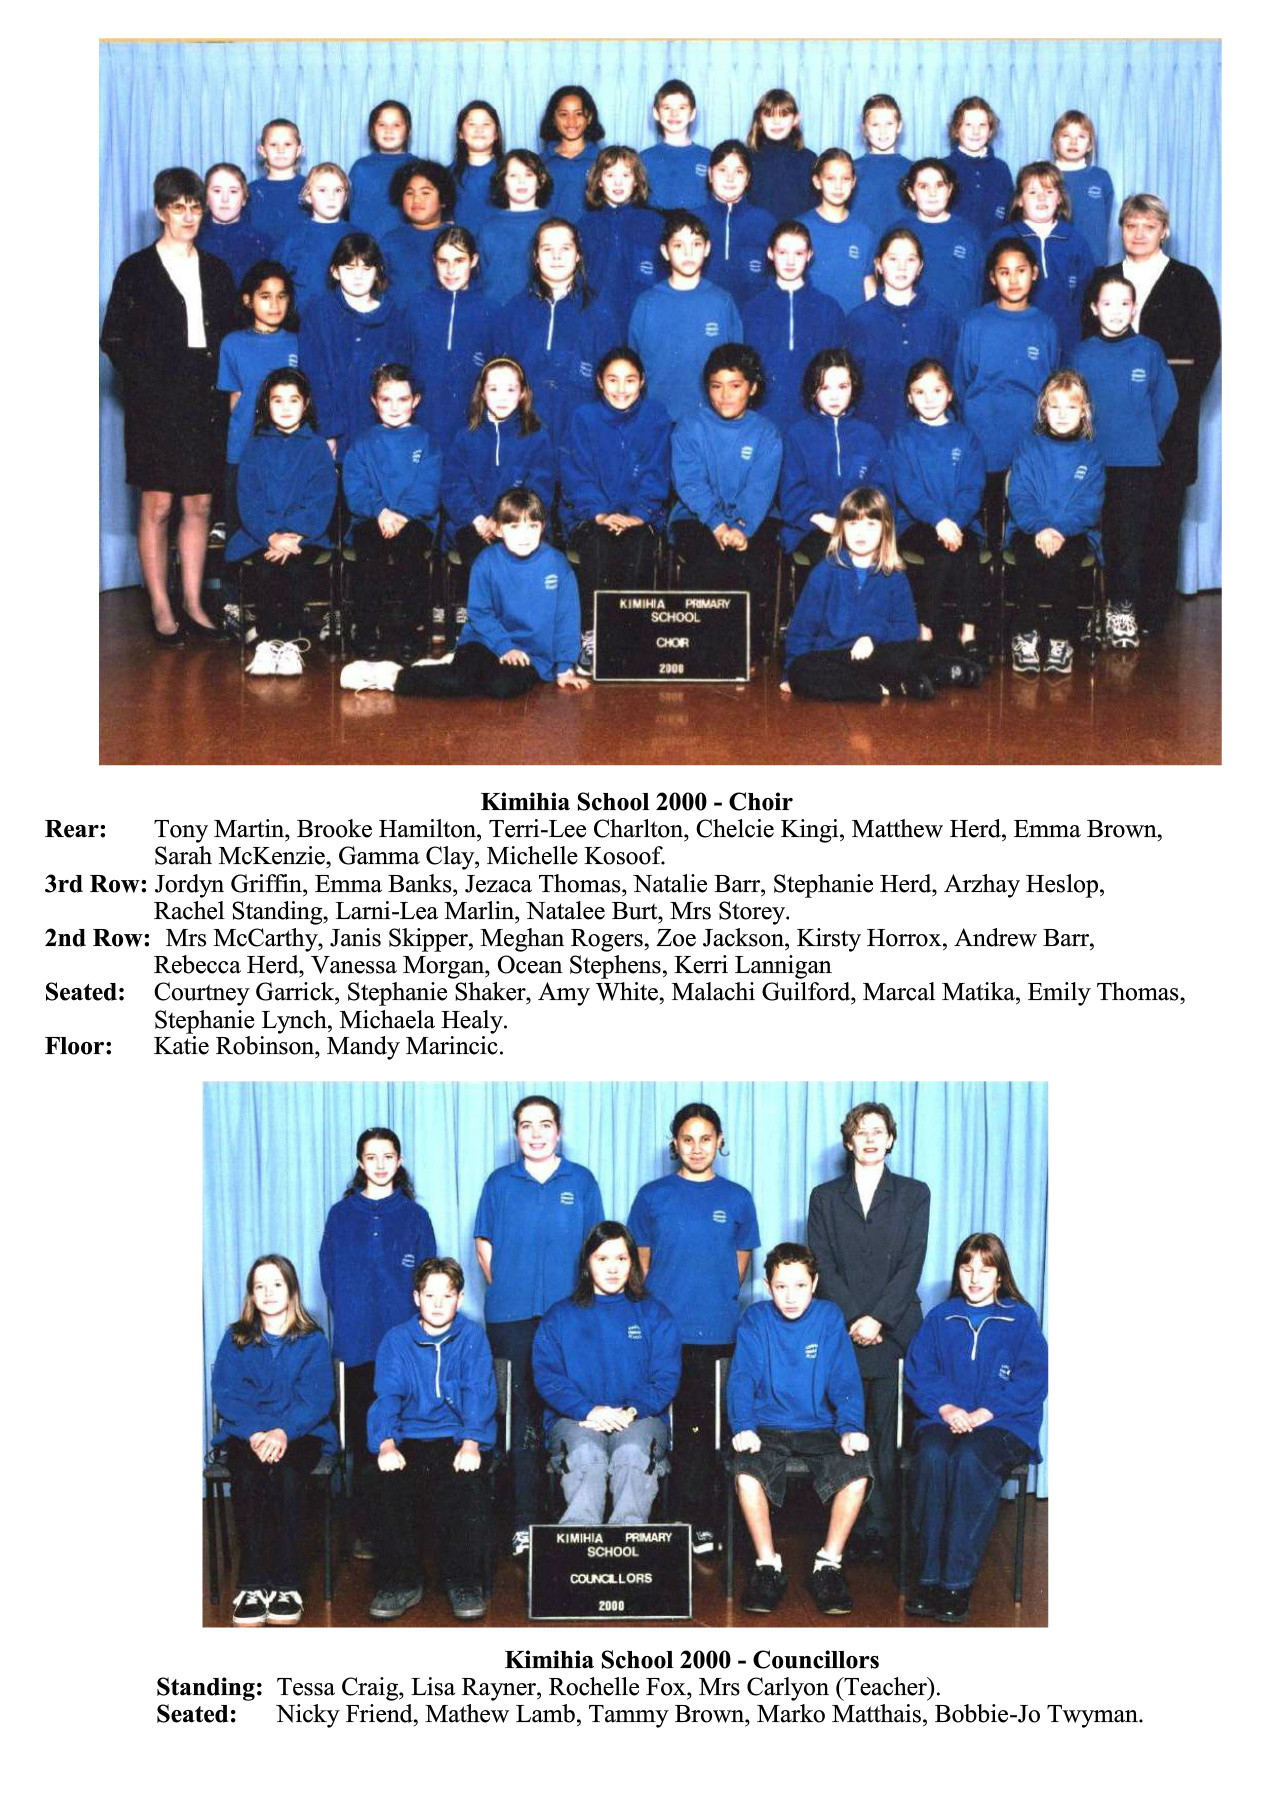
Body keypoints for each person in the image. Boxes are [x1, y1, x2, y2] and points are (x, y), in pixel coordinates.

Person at [100, 166, 240, 642]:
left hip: (205, 399)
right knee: (158, 504)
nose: (188, 216)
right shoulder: (136, 270)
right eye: (178, 207)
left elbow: (230, 338)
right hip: (155, 403)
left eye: (195, 207)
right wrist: (149, 385)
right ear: (161, 212)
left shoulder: (217, 271)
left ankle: (194, 604)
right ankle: (161, 607)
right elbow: (113, 339)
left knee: (199, 503)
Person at [473, 1095, 604, 1556]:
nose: (536, 1133)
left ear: (559, 1131)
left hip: (571, 1317)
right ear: (516, 1134)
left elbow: (596, 1250)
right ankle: (525, 1522)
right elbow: (485, 1247)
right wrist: (511, 1287)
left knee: (571, 1409)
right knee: (521, 1419)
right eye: (526, 1125)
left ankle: (572, 1518)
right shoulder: (499, 1183)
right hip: (511, 1318)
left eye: (545, 1124)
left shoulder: (581, 1181)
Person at [627, 1103, 759, 1555]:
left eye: (706, 1139)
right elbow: (642, 1266)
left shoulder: (737, 1198)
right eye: (688, 1139)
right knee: (656, 1425)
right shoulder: (652, 1196)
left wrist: (710, 1300)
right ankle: (658, 1520)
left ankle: (699, 1524)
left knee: (704, 1433)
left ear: (720, 1142)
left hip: (716, 1333)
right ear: (675, 1144)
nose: (697, 1148)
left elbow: (738, 1268)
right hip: (662, 1333)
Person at [805, 1101, 931, 1560]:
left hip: (894, 1330)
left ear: (891, 1139)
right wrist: (855, 1318)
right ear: (849, 1141)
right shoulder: (825, 1196)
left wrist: (878, 1318)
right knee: (847, 1427)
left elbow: (912, 1263)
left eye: (879, 1131)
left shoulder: (914, 1194)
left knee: (887, 1428)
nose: (871, 1138)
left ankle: (883, 1528)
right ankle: (850, 1528)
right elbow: (822, 1263)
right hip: (843, 1330)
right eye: (862, 1131)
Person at [904, 1234, 1048, 1625]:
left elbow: (1032, 1379)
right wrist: (947, 1407)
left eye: (985, 1270)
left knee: (969, 1459)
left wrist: (987, 1412)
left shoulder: (1021, 1319)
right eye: (967, 1269)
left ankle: (956, 1582)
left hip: (1004, 1424)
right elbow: (920, 1371)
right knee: (933, 1456)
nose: (974, 1278)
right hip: (945, 1418)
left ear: (1000, 1276)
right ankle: (928, 1577)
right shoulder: (941, 1317)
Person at [1090, 193, 1221, 616]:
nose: (1139, 233)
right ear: (1121, 230)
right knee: (1114, 516)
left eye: (1149, 226)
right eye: (1131, 225)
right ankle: (1114, 607)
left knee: (1163, 514)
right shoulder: (1104, 278)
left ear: (1164, 231)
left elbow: (1209, 348)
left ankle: (1152, 612)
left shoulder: (1189, 280)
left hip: (1171, 419)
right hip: (1114, 420)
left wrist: (1177, 399)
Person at [727, 1243, 872, 1615]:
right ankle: (767, 1567)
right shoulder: (756, 1319)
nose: (790, 1297)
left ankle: (828, 1565)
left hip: (820, 1427)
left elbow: (844, 1379)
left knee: (857, 1474)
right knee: (746, 1476)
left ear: (815, 1283)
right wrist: (743, 1426)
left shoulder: (828, 1317)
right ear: (767, 1285)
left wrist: (850, 1426)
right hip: (767, 1427)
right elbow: (742, 1379)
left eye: (800, 1286)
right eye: (781, 1287)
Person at [318, 1128, 436, 1561]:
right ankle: (366, 1530)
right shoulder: (341, 1214)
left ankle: (409, 1530)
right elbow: (330, 1276)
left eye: (388, 1156)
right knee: (362, 1438)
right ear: (360, 1163)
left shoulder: (415, 1216)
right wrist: (353, 1316)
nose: (380, 1164)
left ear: (399, 1161)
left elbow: (429, 1279)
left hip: (404, 1346)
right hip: (356, 1345)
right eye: (372, 1157)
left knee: (405, 1433)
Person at [346, 487, 588, 698]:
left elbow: (567, 618)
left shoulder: (557, 564)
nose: (524, 536)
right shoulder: (486, 561)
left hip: (530, 653)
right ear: (498, 529)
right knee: (459, 681)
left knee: (501, 687)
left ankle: (455, 667)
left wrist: (565, 668)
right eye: (514, 526)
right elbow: (480, 613)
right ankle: (393, 676)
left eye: (532, 526)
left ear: (542, 527)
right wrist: (504, 647)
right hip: (485, 640)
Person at [367, 1258, 497, 1623]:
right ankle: (401, 1581)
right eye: (430, 1295)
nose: (438, 1303)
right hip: (409, 1436)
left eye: (447, 1295)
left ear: (460, 1298)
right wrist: (387, 1444)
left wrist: (471, 1442)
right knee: (385, 1481)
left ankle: (463, 1581)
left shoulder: (472, 1337)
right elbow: (387, 1397)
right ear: (416, 1297)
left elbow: (478, 1392)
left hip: (457, 1435)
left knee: (468, 1482)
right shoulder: (396, 1340)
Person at [211, 1254, 336, 1627]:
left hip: (299, 1433)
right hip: (248, 1433)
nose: (268, 1292)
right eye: (260, 1286)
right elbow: (227, 1395)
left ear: (292, 1290)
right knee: (249, 1477)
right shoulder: (236, 1338)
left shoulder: (313, 1340)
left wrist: (283, 1432)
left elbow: (316, 1399)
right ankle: (251, 1585)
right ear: (251, 1295)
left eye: (276, 1284)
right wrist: (255, 1433)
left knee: (287, 1477)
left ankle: (286, 1585)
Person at [533, 1223, 682, 1526]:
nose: (612, 1268)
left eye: (621, 1258)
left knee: (631, 1452)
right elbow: (548, 1377)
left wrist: (630, 1411)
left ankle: (628, 1540)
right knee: (586, 1454)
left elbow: (665, 1378)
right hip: (577, 1419)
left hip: (639, 1418)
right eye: (602, 1259)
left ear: (633, 1263)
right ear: (587, 1263)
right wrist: (589, 1410)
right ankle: (578, 1542)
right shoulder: (559, 1316)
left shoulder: (655, 1315)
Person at [1072, 276, 1177, 649]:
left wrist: (1143, 439)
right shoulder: (1081, 354)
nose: (1116, 311)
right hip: (1091, 463)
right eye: (1107, 303)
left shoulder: (1148, 351)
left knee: (1128, 542)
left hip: (1136, 465)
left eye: (1124, 304)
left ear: (1134, 308)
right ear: (1094, 308)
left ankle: (1122, 611)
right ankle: (1092, 610)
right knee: (1091, 538)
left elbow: (1165, 403)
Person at [559, 346, 672, 655]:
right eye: (613, 380)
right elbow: (577, 475)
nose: (621, 389)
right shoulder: (583, 418)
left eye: (630, 380)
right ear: (599, 381)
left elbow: (657, 472)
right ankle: (592, 633)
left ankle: (633, 634)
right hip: (590, 517)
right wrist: (599, 514)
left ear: (642, 381)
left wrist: (638, 514)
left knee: (639, 544)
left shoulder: (656, 416)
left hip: (640, 517)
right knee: (599, 544)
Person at [226, 370, 337, 676]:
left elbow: (321, 498)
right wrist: (272, 535)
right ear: (267, 404)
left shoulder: (316, 447)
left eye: (293, 400)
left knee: (295, 568)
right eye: (278, 400)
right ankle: (267, 643)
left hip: (305, 535)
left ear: (306, 404)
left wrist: (295, 534)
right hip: (262, 534)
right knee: (265, 568)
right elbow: (249, 500)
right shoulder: (254, 447)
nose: (286, 407)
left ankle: (289, 645)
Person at [670, 343, 783, 643]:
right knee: (708, 563)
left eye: (735, 386)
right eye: (716, 386)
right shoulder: (689, 427)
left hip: (753, 520)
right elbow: (690, 483)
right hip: (698, 517)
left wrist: (741, 527)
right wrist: (718, 525)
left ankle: (743, 650)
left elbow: (760, 489)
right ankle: (702, 648)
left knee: (750, 566)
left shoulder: (767, 433)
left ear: (753, 387)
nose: (725, 395)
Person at [953, 238, 1060, 549]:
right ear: (992, 278)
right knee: (985, 520)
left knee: (1023, 518)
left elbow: (1051, 384)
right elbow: (960, 382)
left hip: (1027, 434)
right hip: (983, 434)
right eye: (1004, 272)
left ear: (1034, 273)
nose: (1013, 280)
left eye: (1021, 270)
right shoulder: (975, 323)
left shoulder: (1045, 325)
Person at [781, 487, 932, 702]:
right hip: (835, 658)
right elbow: (802, 628)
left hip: (876, 654)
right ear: (841, 529)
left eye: (870, 524)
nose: (861, 533)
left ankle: (940, 672)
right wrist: (790, 673)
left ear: (885, 529)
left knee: (917, 650)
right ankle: (880, 689)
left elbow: (907, 628)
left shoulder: (894, 575)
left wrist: (872, 637)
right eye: (853, 524)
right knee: (801, 670)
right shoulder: (825, 570)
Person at [1006, 369, 1105, 676]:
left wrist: (1059, 530)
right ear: (1043, 410)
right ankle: (1025, 636)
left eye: (1071, 407)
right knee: (1030, 559)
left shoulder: (1091, 455)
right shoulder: (1028, 447)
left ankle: (1061, 640)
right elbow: (1019, 495)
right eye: (1055, 406)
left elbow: (1089, 505)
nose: (1062, 414)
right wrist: (1041, 527)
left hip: (1072, 532)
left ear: (1084, 412)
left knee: (1064, 564)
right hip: (1030, 529)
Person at [342, 362, 443, 662]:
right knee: (369, 553)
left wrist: (401, 515)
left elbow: (428, 489)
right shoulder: (362, 443)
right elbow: (355, 488)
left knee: (411, 554)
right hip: (372, 519)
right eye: (386, 399)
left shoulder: (426, 442)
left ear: (416, 400)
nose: (395, 407)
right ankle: (366, 629)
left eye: (403, 399)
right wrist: (381, 512)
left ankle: (412, 631)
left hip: (413, 520)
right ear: (374, 401)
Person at [890, 358, 988, 663]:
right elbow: (909, 490)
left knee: (968, 553)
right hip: (917, 524)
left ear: (950, 394)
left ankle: (968, 633)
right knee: (939, 554)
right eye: (919, 392)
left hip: (961, 523)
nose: (929, 398)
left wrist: (953, 522)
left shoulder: (966, 439)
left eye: (936, 390)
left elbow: (972, 490)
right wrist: (939, 521)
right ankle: (926, 632)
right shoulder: (903, 439)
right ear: (909, 398)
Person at [497, 218, 620, 443]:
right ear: (536, 257)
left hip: (580, 426)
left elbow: (611, 376)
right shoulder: (514, 310)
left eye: (565, 248)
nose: (556, 256)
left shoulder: (600, 311)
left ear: (578, 255)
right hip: (526, 426)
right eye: (547, 249)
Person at [298, 232, 411, 462]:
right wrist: (327, 430)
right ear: (335, 271)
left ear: (377, 272)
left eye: (366, 268)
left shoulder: (393, 316)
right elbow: (313, 376)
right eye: (349, 268)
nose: (358, 276)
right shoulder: (319, 313)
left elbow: (400, 379)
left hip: (379, 430)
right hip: (334, 431)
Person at [778, 348, 893, 565]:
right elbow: (792, 492)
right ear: (812, 390)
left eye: (842, 387)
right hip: (814, 528)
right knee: (835, 562)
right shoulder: (798, 435)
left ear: (853, 388)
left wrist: (859, 523)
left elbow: (881, 489)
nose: (834, 396)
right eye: (825, 387)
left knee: (872, 563)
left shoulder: (869, 435)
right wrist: (823, 519)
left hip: (863, 528)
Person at [628, 211, 743, 425]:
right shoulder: (647, 303)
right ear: (665, 251)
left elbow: (736, 366)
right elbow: (633, 364)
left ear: (707, 248)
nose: (688, 253)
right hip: (656, 418)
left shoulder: (722, 302)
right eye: (679, 245)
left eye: (696, 244)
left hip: (708, 420)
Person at [845, 227, 958, 441]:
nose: (902, 267)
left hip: (927, 438)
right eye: (893, 259)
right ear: (878, 264)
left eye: (910, 259)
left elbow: (951, 380)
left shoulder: (939, 316)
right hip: (874, 436)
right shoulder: (859, 320)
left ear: (920, 267)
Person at [438, 358, 556, 561]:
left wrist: (504, 520)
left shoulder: (538, 436)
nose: (502, 397)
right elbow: (454, 486)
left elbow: (540, 487)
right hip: (473, 524)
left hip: (521, 523)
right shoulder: (465, 437)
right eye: (493, 389)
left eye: (510, 389)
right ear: (482, 393)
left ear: (522, 393)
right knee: (480, 555)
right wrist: (477, 519)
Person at [216, 261, 300, 540]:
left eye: (281, 296)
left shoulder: (298, 343)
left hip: (287, 452)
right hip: (244, 450)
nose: (274, 304)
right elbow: (234, 400)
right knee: (241, 534)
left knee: (282, 536)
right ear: (248, 300)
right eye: (265, 296)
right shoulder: (232, 344)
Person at [741, 221, 847, 433]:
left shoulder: (828, 308)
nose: (790, 261)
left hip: (814, 418)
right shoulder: (752, 308)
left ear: (809, 255)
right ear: (770, 253)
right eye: (783, 252)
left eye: (798, 253)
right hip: (765, 415)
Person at [404, 227, 499, 455]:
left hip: (472, 420)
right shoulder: (416, 306)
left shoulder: (491, 310)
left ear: (473, 260)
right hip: (424, 417)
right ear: (433, 261)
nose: (450, 270)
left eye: (459, 260)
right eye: (443, 261)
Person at [990, 163, 1094, 355]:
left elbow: (1085, 295)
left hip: (1065, 336)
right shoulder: (1002, 239)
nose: (1041, 197)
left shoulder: (1076, 241)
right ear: (1019, 200)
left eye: (1049, 191)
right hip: (1013, 334)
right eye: (1032, 192)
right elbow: (988, 293)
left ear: (1060, 198)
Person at [578, 147, 663, 323]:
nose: (618, 183)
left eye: (625, 175)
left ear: (636, 180)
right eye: (610, 175)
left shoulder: (655, 223)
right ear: (599, 181)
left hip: (643, 314)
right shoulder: (585, 224)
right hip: (598, 316)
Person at [893, 159, 983, 321]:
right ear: (911, 192)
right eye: (923, 186)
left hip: (959, 327)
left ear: (949, 189)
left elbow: (979, 287)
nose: (932, 193)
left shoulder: (969, 233)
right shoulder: (898, 232)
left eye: (939, 185)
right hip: (911, 325)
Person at [799, 149, 875, 318]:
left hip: (853, 325)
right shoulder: (800, 228)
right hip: (812, 321)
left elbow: (868, 283)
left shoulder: (864, 232)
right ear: (817, 181)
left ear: (853, 182)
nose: (838, 186)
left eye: (845, 179)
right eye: (830, 178)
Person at [701, 140, 776, 308]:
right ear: (710, 174)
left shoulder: (765, 222)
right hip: (702, 314)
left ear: (748, 178)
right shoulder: (691, 221)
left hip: (754, 316)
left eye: (739, 171)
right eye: (722, 170)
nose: (730, 178)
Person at [476, 151, 554, 308]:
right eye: (513, 176)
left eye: (528, 175)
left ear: (540, 181)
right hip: (496, 312)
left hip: (539, 312)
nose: (521, 181)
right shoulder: (488, 229)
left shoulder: (553, 226)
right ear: (503, 183)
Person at [276, 163, 351, 320]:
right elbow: (276, 281)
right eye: (322, 190)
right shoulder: (293, 237)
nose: (331, 197)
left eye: (338, 190)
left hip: (347, 321)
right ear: (309, 196)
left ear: (345, 197)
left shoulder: (357, 236)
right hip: (303, 322)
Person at [380, 160, 457, 299]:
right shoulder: (390, 241)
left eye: (425, 193)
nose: (416, 199)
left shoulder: (457, 238)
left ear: (443, 199)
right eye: (409, 193)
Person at [1049, 110, 1114, 265]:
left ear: (1090, 145)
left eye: (1081, 137)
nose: (1073, 142)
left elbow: (1104, 217)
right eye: (1066, 136)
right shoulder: (1046, 176)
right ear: (1055, 143)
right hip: (1056, 261)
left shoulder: (1100, 177)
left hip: (1094, 262)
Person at [945, 96, 1013, 242]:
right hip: (955, 246)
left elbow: (1010, 216)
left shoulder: (1001, 169)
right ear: (956, 130)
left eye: (982, 125)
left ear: (990, 131)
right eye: (968, 125)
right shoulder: (943, 168)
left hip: (995, 248)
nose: (976, 131)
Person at [348, 99, 416, 241]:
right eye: (382, 124)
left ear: (408, 131)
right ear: (372, 131)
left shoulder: (418, 167)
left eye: (396, 125)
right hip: (364, 248)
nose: (389, 130)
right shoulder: (360, 168)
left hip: (404, 246)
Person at [745, 88, 817, 223]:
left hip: (797, 233)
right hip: (756, 232)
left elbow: (816, 209)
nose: (776, 122)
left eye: (784, 115)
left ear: (796, 119)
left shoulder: (809, 160)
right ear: (759, 120)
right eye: (769, 115)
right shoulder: (746, 158)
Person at [538, 85, 606, 224]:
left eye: (578, 114)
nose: (571, 121)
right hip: (551, 235)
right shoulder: (541, 162)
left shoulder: (602, 160)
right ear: (553, 119)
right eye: (564, 114)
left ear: (589, 117)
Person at [849, 93, 912, 242]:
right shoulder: (851, 170)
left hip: (902, 249)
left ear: (899, 126)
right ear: (864, 129)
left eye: (889, 124)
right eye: (875, 125)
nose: (883, 131)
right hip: (861, 246)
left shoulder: (913, 170)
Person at [196, 162, 272, 284]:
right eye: (217, 191)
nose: (225, 199)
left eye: (233, 191)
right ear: (206, 198)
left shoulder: (262, 244)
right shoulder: (194, 241)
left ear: (244, 198)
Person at [640, 78, 708, 213]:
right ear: (656, 113)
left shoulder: (708, 157)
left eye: (682, 108)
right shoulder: (643, 158)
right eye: (667, 108)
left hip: (697, 225)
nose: (674, 113)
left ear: (692, 114)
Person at [247, 118, 306, 248]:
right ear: (262, 150)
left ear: (299, 150)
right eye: (273, 145)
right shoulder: (251, 190)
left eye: (287, 144)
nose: (280, 150)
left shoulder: (310, 188)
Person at [450, 100, 504, 237]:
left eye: (486, 124)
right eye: (472, 124)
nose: (479, 130)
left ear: (496, 133)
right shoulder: (447, 175)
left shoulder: (511, 172)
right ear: (460, 133)